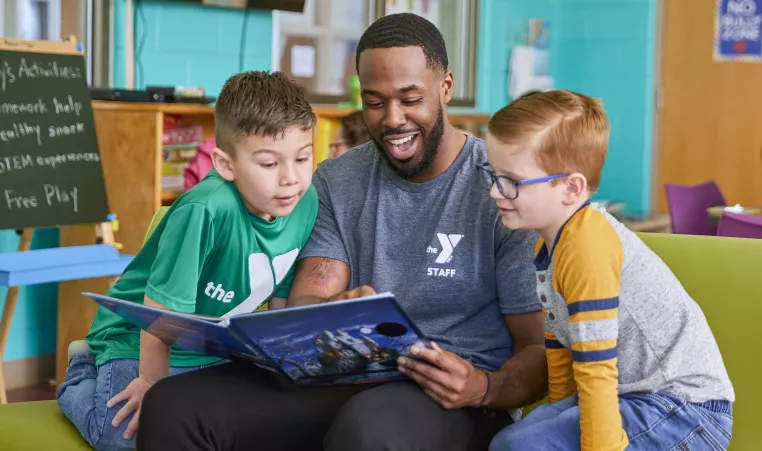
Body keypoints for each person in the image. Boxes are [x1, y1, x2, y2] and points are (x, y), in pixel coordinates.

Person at [136, 13, 547, 451]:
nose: (393, 119)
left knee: (371, 427)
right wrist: (335, 308)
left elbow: (539, 349)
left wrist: (483, 387)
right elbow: (308, 298)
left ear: (445, 87)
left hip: (456, 399)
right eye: (374, 101)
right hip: (346, 375)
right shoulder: (337, 179)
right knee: (175, 405)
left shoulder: (501, 188)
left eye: (410, 98)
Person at [56, 71, 319, 451]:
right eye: (268, 164)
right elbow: (157, 312)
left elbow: (279, 286)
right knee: (126, 439)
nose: (291, 179)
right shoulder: (205, 210)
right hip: (136, 339)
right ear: (226, 165)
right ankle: (82, 371)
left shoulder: (304, 202)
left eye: (302, 157)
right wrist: (151, 384)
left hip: (211, 349)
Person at [483, 90, 735, 451]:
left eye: (511, 181)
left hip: (686, 412)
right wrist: (556, 413)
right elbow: (559, 343)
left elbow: (595, 365)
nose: (494, 191)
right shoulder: (549, 244)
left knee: (518, 446)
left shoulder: (587, 247)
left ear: (571, 188)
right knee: (511, 440)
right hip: (633, 398)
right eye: (493, 174)